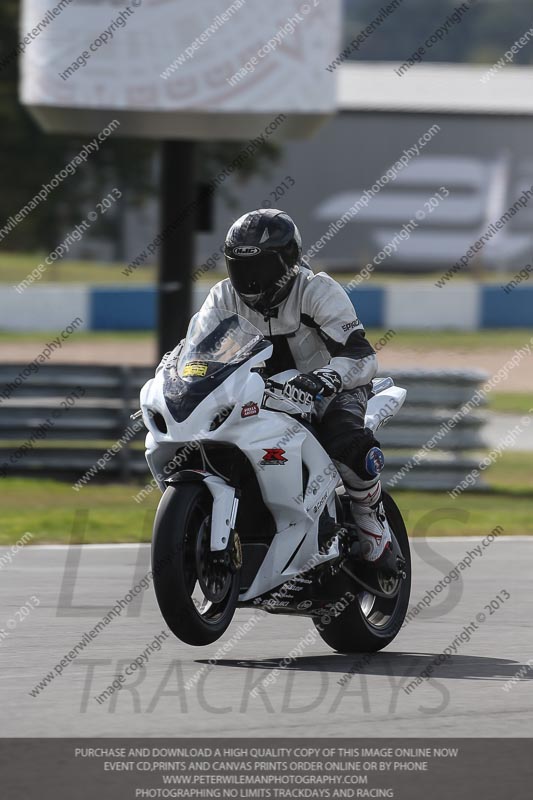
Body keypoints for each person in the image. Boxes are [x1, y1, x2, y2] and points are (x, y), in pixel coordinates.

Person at [198, 208, 393, 568]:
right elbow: (197, 351)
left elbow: (361, 355)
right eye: (240, 268)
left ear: (287, 263)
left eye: (259, 268)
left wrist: (328, 378)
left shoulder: (316, 290)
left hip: (329, 389)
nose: (249, 279)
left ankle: (369, 517)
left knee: (346, 439)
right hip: (259, 393)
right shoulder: (223, 297)